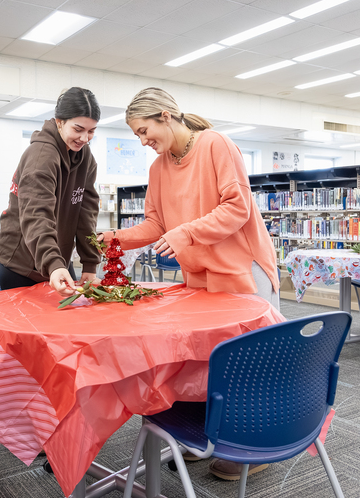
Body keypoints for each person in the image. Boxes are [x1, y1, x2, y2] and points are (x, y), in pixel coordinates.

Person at [98, 87, 280, 481]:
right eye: (137, 136)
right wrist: (116, 238)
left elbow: (237, 207)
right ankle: (207, 437)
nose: (144, 142)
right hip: (199, 273)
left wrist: (183, 236)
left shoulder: (216, 145)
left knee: (245, 363)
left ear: (166, 115)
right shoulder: (158, 168)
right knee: (202, 359)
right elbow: (156, 225)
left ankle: (253, 448)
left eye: (145, 131)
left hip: (242, 270)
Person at [0, 87, 103, 297]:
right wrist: (53, 263)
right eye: (78, 129)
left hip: (55, 257)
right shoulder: (41, 157)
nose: (84, 138)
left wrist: (89, 263)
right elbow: (36, 215)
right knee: (29, 327)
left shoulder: (85, 157)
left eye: (91, 131)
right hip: (20, 262)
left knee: (64, 320)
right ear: (59, 121)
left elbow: (86, 213)